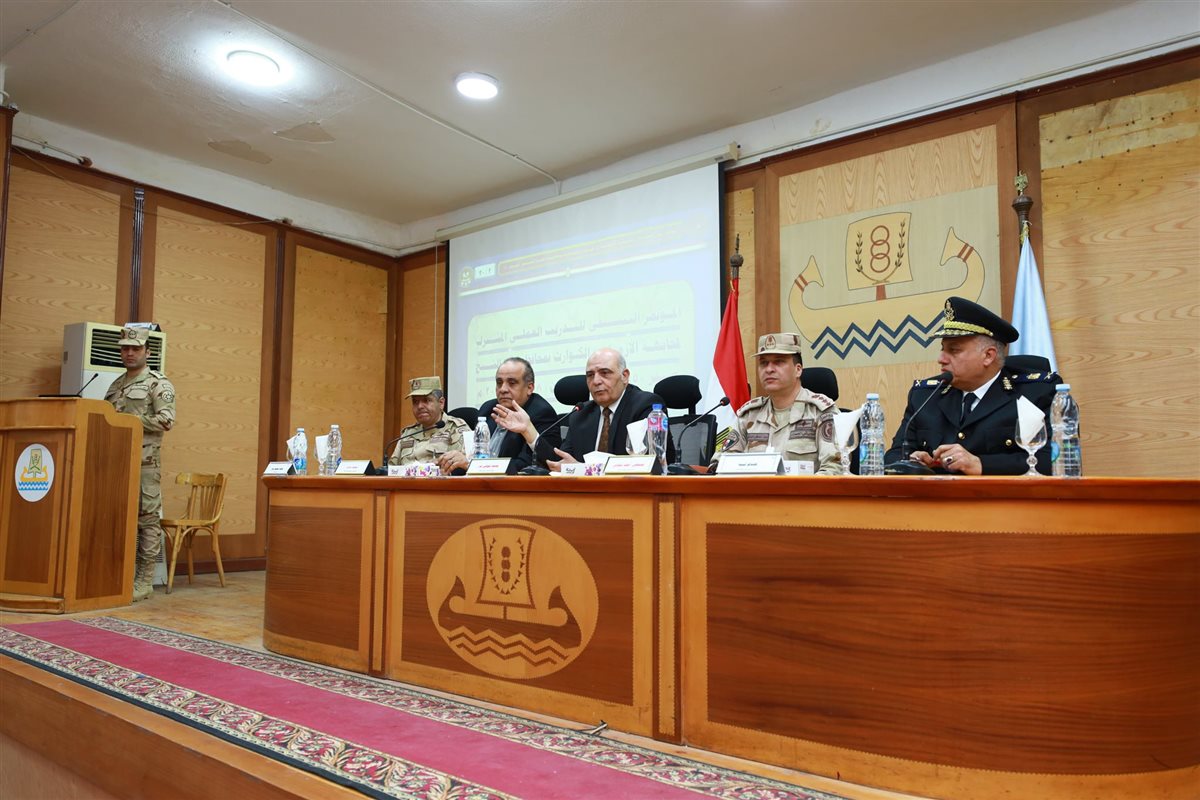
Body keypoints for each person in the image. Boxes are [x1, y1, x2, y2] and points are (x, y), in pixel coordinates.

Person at [884, 296, 1058, 475]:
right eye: (942, 348)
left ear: (988, 356)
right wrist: (913, 461)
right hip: (937, 493)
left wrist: (980, 464)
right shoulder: (925, 396)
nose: (941, 359)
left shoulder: (1035, 393)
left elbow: (1054, 460)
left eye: (953, 350)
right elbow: (892, 456)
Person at [104, 325, 175, 602]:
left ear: (148, 352)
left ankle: (144, 582)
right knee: (118, 519)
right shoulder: (116, 385)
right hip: (115, 463)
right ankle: (117, 576)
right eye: (125, 349)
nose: (129, 353)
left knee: (147, 522)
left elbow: (166, 420)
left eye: (135, 348)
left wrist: (128, 421)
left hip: (145, 464)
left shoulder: (159, 383)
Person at [713, 333, 843, 475]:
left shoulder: (821, 412)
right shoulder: (749, 415)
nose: (769, 369)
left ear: (798, 370)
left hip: (804, 490)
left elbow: (834, 469)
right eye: (764, 363)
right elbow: (721, 464)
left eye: (779, 362)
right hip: (754, 489)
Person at [524, 348, 674, 471]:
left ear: (624, 376)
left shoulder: (645, 406)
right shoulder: (581, 414)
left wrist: (582, 469)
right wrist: (527, 430)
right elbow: (561, 462)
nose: (596, 381)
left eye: (605, 373)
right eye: (590, 375)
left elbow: (645, 464)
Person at [436, 357, 560, 475]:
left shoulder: (541, 413)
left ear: (529, 388)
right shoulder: (488, 409)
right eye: (499, 383)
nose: (503, 389)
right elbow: (473, 456)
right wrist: (448, 467)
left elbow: (526, 465)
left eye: (512, 383)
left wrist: (472, 465)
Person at [388, 377, 469, 466]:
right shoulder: (408, 434)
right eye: (415, 402)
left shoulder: (455, 428)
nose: (419, 406)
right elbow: (391, 469)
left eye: (426, 400)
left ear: (441, 403)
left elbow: (468, 465)